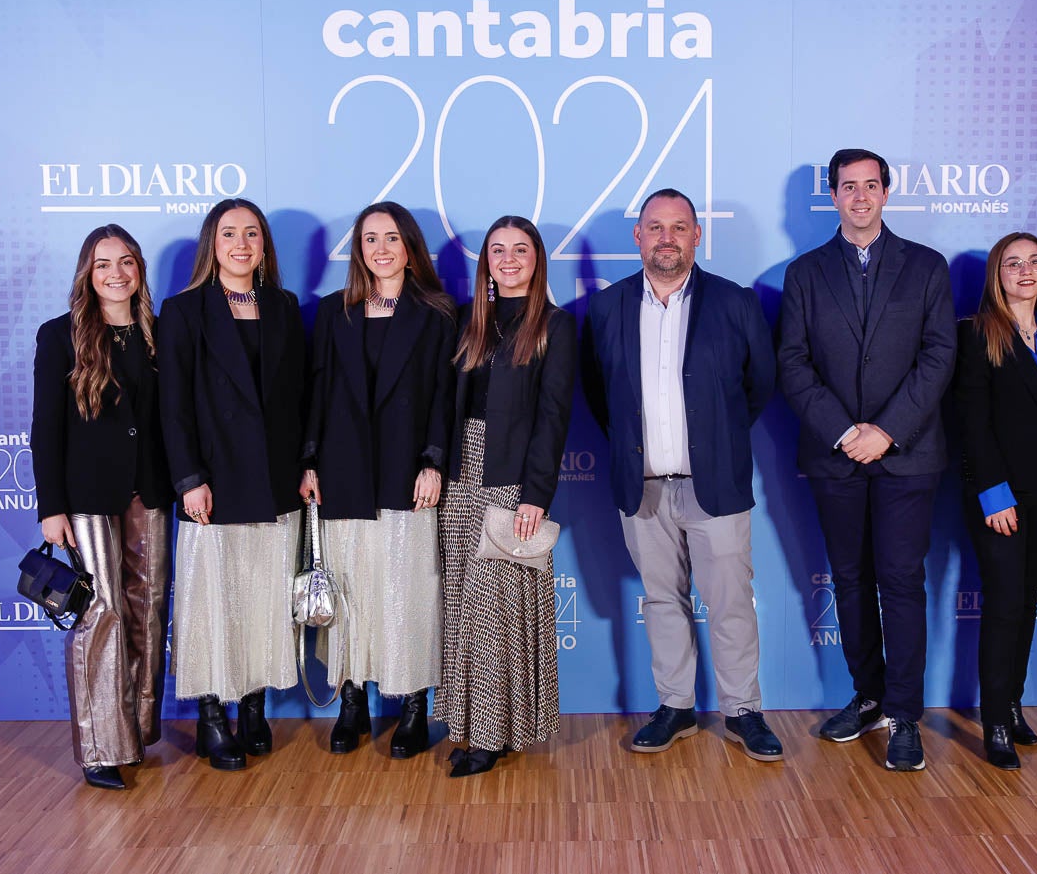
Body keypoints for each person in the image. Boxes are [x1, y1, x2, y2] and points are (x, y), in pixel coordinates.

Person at [583, 189, 781, 763]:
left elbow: (758, 385)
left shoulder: (736, 303)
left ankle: (743, 709)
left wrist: (716, 438)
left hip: (714, 483)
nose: (666, 237)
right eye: (655, 227)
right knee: (661, 600)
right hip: (641, 485)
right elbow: (602, 393)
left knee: (731, 603)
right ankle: (676, 706)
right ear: (638, 237)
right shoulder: (607, 307)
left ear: (697, 236)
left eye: (678, 227)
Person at [778, 148, 956, 772]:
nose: (859, 197)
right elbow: (792, 362)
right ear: (832, 196)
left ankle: (904, 714)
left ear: (887, 193)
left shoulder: (927, 268)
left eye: (870, 186)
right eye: (847, 187)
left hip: (907, 455)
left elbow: (938, 357)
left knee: (902, 583)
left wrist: (886, 430)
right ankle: (868, 695)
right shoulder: (803, 273)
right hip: (835, 457)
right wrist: (842, 431)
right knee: (850, 582)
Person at [301, 202, 456, 758]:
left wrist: (434, 461)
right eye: (370, 239)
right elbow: (316, 392)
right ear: (359, 250)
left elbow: (444, 396)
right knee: (352, 595)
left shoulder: (437, 314)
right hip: (344, 474)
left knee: (408, 594)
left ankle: (414, 705)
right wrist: (311, 460)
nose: (381, 248)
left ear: (410, 246)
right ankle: (353, 703)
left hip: (406, 473)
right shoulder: (332, 312)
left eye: (392, 238)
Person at [158, 198, 306, 772]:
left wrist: (305, 465)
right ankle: (213, 716)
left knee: (263, 600)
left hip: (273, 483)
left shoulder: (285, 308)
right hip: (213, 487)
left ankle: (252, 705)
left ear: (264, 246)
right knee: (214, 602)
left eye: (252, 234)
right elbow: (174, 407)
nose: (241, 244)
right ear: (211, 245)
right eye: (229, 234)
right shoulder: (184, 311)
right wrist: (189, 479)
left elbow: (297, 399)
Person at [31, 225, 173, 790]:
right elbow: (46, 427)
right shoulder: (59, 336)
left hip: (150, 491)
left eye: (127, 262)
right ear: (87, 275)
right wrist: (51, 506)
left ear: (139, 271)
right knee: (103, 611)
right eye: (103, 264)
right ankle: (98, 746)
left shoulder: (158, 335)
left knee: (149, 606)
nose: (116, 273)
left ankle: (134, 733)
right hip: (87, 496)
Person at [435, 215, 576, 777]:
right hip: (460, 478)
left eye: (521, 249)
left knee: (500, 611)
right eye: (498, 250)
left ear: (538, 259)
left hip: (512, 479)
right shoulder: (470, 323)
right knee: (464, 609)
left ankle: (496, 733)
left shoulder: (555, 327)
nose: (509, 259)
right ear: (486, 261)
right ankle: (470, 723)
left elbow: (554, 418)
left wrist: (535, 495)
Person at [955, 232, 1037, 771]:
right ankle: (993, 721)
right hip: (1000, 496)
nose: (1026, 270)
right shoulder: (977, 335)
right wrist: (992, 493)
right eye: (1013, 263)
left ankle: (1013, 704)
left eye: (1035, 261)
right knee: (1006, 601)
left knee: (1028, 597)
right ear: (997, 274)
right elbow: (971, 423)